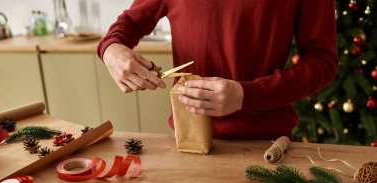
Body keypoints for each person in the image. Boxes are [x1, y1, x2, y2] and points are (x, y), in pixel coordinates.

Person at [98, 0, 338, 140]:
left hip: (269, 145)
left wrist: (249, 95)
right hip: (189, 140)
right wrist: (111, 49)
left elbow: (322, 61)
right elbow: (129, 23)